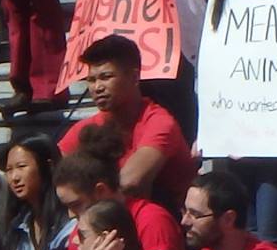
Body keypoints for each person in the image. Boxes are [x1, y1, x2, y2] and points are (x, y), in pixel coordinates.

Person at [58, 34, 196, 208]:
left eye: (106, 77)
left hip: (166, 219)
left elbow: (130, 182)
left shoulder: (160, 123)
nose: (97, 87)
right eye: (91, 80)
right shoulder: (89, 126)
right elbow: (59, 176)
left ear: (134, 77)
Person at [58, 131, 186, 250]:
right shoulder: (81, 230)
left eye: (76, 204)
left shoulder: (150, 218)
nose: (71, 214)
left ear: (101, 190)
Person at [1, 135, 75, 250]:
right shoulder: (18, 227)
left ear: (48, 166)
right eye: (9, 170)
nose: (14, 177)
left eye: (21, 166)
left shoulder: (70, 226)